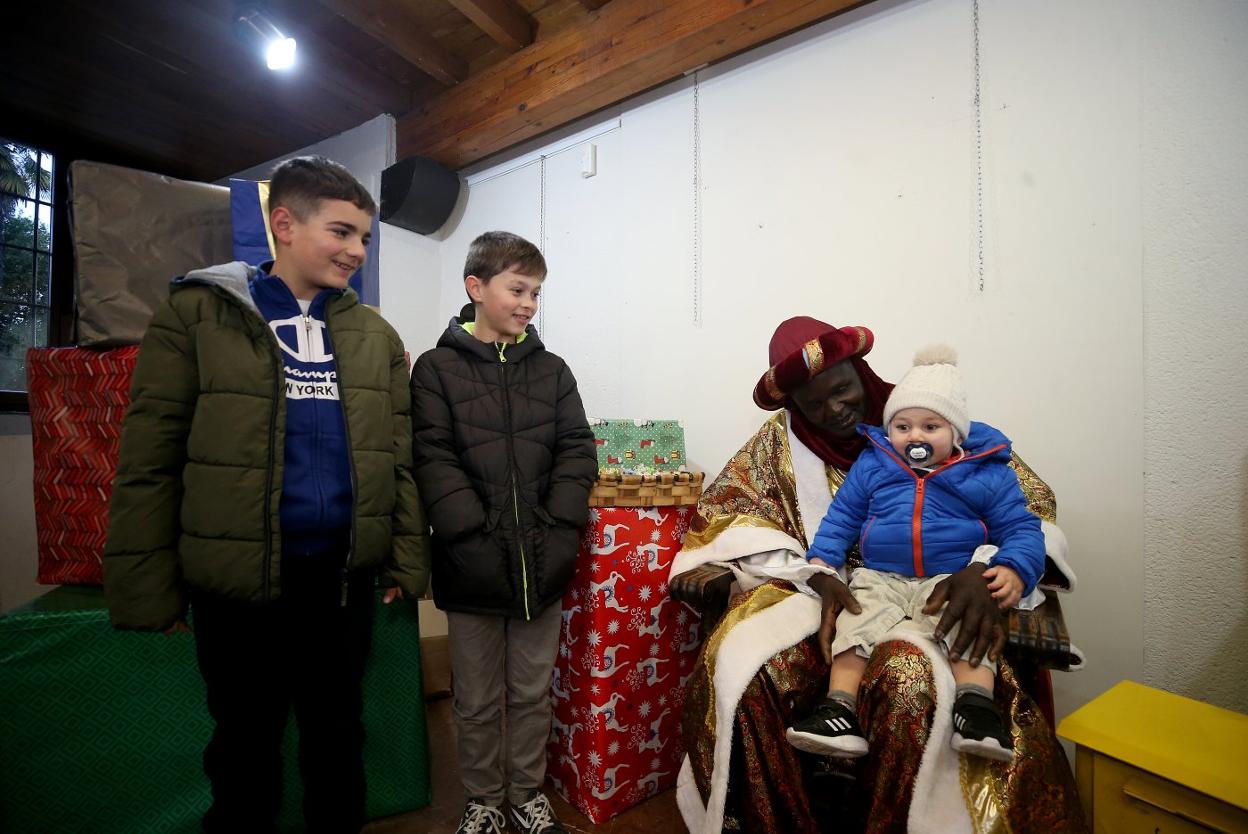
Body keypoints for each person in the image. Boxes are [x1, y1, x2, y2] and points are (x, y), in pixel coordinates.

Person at [103, 155, 431, 834]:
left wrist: (403, 556)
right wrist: (147, 583)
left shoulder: (374, 335)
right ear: (284, 223)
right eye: (341, 232)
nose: (356, 251)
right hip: (239, 588)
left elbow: (398, 457)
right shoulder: (196, 316)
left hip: (340, 583)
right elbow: (149, 460)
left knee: (338, 737)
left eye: (365, 238)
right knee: (244, 746)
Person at [669, 316, 1086, 834]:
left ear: (860, 373)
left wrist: (987, 569)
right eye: (814, 403)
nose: (833, 409)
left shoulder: (927, 416)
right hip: (839, 590)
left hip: (943, 588)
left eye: (841, 390)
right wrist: (817, 575)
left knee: (909, 681)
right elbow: (731, 516)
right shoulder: (782, 441)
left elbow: (1029, 511)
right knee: (746, 670)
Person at [410, 231, 597, 834]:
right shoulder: (436, 369)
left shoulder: (552, 370)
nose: (528, 304)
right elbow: (432, 455)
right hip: (472, 565)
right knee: (476, 701)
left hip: (542, 563)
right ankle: (484, 801)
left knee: (531, 695)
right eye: (518, 289)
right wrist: (471, 532)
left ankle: (526, 793)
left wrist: (559, 526)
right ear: (476, 287)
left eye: (536, 293)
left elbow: (575, 451)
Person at [786, 345, 1045, 764]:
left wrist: (1014, 567)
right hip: (880, 575)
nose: (915, 437)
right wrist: (820, 562)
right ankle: (839, 709)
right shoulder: (874, 465)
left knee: (964, 627)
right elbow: (842, 517)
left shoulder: (986, 473)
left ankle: (976, 707)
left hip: (949, 577)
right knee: (855, 622)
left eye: (931, 426)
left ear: (957, 434)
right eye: (902, 426)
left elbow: (1021, 528)